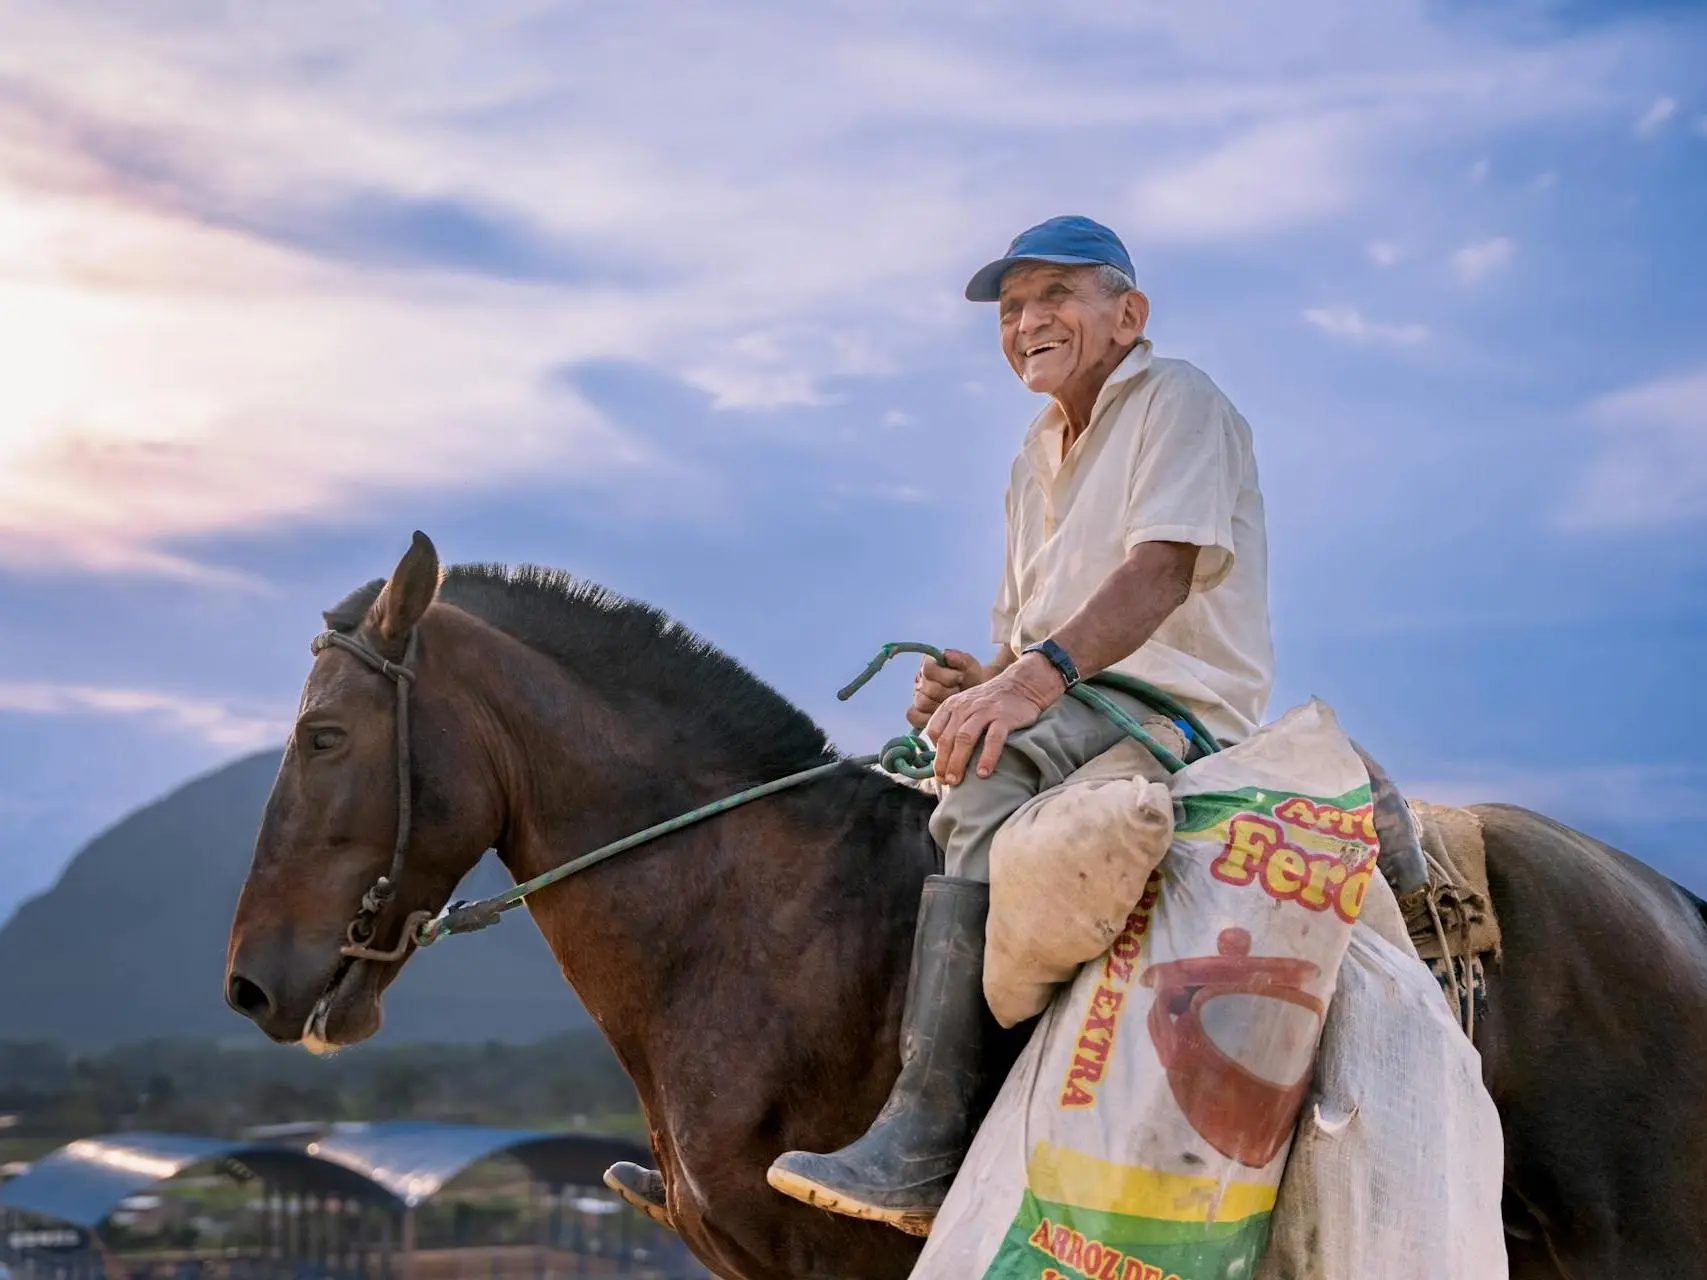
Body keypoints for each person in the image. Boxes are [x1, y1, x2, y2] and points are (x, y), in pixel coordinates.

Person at [763, 215, 1275, 1234]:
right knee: (883, 811)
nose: (1029, 321)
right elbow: (1030, 638)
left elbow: (1160, 570)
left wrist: (1022, 686)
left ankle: (930, 1138)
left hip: (1168, 708)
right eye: (1012, 310)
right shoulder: (1032, 454)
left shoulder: (1178, 399)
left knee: (988, 781)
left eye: (1055, 297)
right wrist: (971, 680)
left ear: (1127, 314)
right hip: (1073, 696)